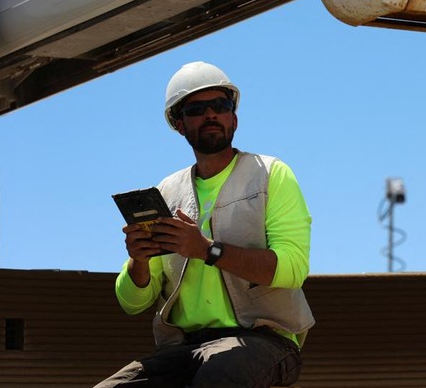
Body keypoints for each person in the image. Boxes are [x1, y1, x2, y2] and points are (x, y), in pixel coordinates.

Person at [96, 61, 314, 387]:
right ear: (179, 124)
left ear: (234, 118)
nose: (211, 114)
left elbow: (292, 268)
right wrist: (138, 261)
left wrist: (206, 250)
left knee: (220, 374)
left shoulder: (271, 174)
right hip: (184, 347)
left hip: (263, 340)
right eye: (197, 109)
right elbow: (132, 302)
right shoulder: (167, 193)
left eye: (221, 105)